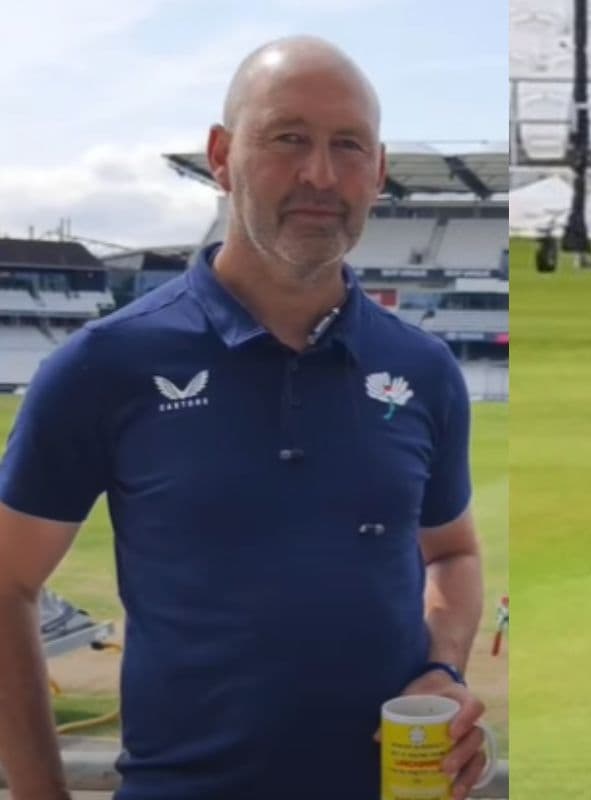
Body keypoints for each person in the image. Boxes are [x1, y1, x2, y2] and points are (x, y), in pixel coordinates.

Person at [0, 36, 490, 800]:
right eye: (288, 138)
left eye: (348, 146)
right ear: (223, 156)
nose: (320, 175)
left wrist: (444, 665)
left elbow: (452, 555)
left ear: (379, 171)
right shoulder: (104, 365)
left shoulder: (424, 372)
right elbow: (7, 584)